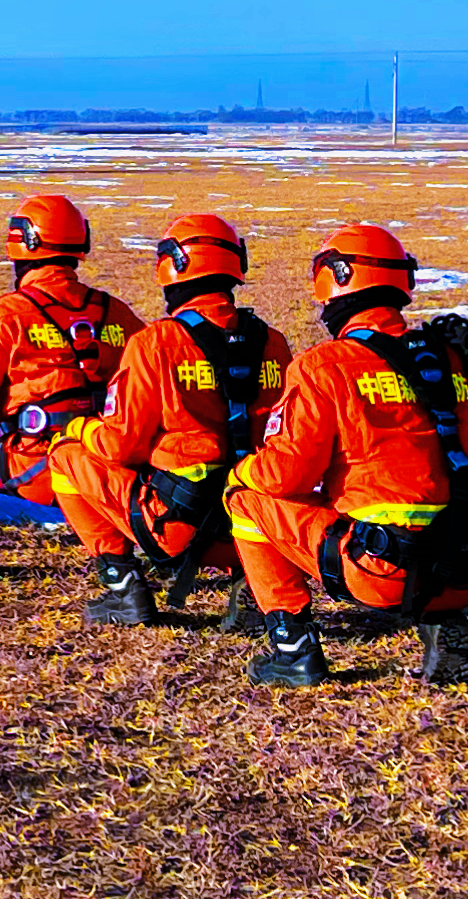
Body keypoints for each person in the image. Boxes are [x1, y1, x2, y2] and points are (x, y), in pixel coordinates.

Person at [223, 222, 468, 686]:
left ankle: (291, 646)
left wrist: (242, 469)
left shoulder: (324, 365)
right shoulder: (449, 355)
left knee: (247, 496)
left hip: (384, 571)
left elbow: (286, 475)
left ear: (335, 280)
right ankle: (445, 625)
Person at [52, 211, 290, 627]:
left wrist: (80, 427)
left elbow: (120, 444)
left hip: (179, 523)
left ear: (174, 266)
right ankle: (253, 584)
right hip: (253, 524)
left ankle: (121, 585)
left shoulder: (156, 343)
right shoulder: (273, 341)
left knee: (66, 453)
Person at [0, 196, 142, 578]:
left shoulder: (6, 315)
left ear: (23, 246)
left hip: (37, 466)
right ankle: (118, 564)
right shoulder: (116, 312)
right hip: (101, 461)